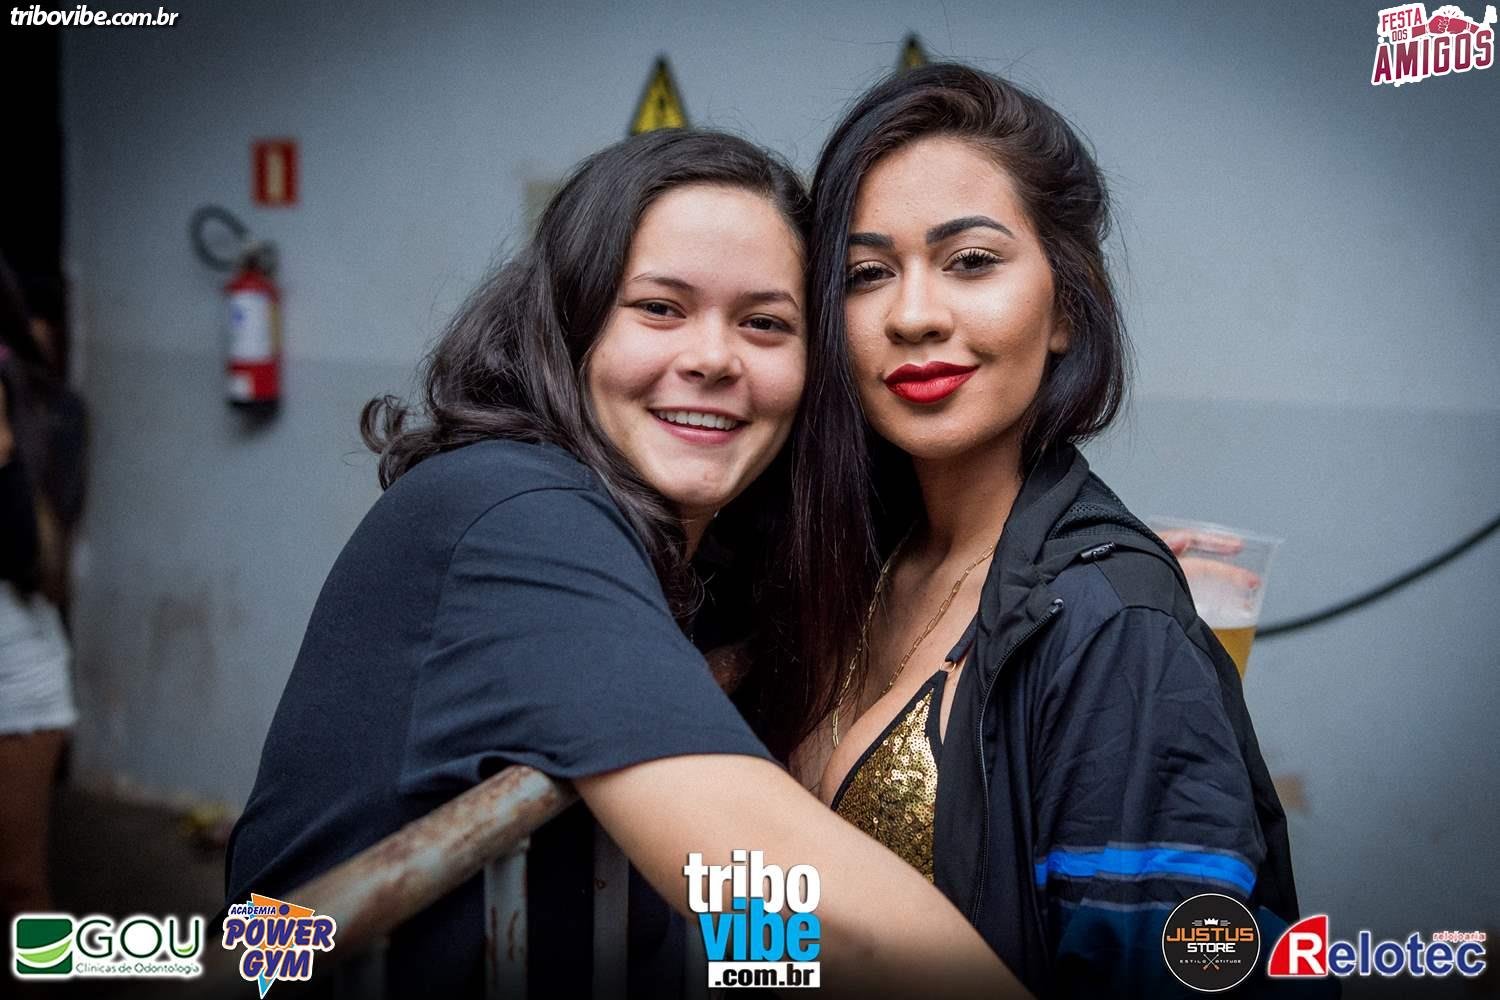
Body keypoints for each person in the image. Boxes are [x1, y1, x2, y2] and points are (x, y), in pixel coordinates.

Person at [226, 129, 1024, 998]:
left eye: (764, 323)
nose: (712, 358)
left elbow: (728, 923)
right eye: (659, 308)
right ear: (571, 325)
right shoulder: (513, 513)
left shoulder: (705, 554)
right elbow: (770, 875)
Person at [781, 64, 1308, 998]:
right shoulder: (864, 562)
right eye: (867, 275)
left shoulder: (1115, 627)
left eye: (971, 261)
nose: (914, 315)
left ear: (1067, 305)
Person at [0, 256, 85, 924]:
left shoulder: (42, 408)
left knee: (19, 888)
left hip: (16, 673)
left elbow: (30, 554)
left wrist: (2, 456)